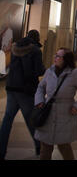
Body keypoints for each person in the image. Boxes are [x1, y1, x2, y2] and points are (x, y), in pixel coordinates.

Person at [34, 47, 77, 160]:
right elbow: (40, 87)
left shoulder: (74, 74)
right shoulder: (49, 71)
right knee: (45, 147)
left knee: (64, 146)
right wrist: (40, 100)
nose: (55, 58)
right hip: (48, 112)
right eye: (55, 55)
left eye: (58, 56)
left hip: (65, 113)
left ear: (66, 59)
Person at [0, 30, 45, 159]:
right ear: (36, 38)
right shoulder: (35, 51)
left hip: (11, 87)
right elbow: (37, 70)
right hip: (26, 90)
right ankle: (39, 147)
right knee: (31, 119)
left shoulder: (15, 48)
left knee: (7, 120)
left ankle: (1, 150)